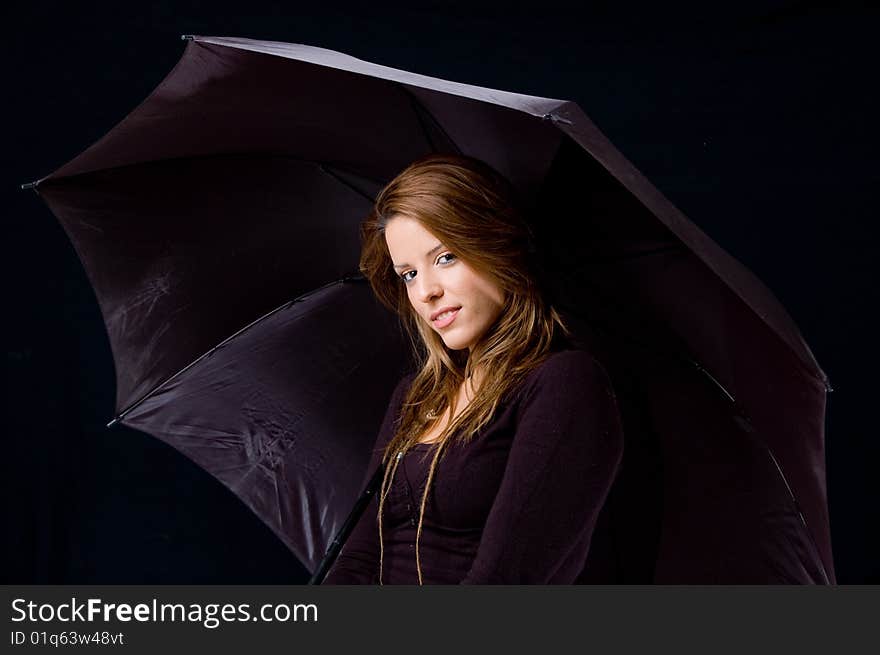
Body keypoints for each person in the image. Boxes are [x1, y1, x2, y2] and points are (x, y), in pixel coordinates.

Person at [322, 153, 625, 584]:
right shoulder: (416, 396)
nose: (426, 291)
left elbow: (501, 584)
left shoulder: (563, 383)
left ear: (495, 247)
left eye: (445, 257)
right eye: (408, 274)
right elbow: (358, 559)